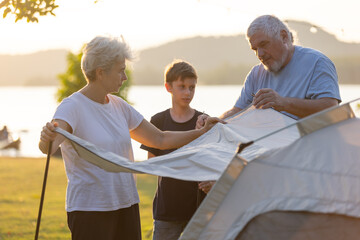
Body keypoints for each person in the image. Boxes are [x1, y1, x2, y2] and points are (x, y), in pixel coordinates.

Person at [38, 36, 223, 240]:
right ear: (101, 72)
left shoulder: (119, 105)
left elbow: (159, 139)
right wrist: (46, 137)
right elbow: (49, 146)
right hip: (91, 210)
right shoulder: (72, 106)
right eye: (120, 70)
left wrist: (200, 133)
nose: (124, 77)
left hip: (127, 204)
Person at [197, 14, 341, 191]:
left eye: (263, 45)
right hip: (267, 171)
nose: (260, 54)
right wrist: (214, 122)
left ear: (284, 36)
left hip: (310, 169)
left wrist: (282, 103)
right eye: (255, 49)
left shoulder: (317, 63)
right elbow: (237, 112)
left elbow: (331, 110)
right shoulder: (256, 74)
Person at [140, 60, 207, 240]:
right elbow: (152, 163)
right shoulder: (158, 121)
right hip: (167, 209)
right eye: (182, 86)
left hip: (199, 208)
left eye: (192, 87)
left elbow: (210, 161)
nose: (187, 92)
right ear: (168, 87)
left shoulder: (203, 121)